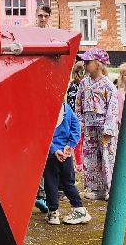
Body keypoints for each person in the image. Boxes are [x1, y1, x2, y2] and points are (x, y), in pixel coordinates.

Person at [75, 48, 118, 201]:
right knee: (91, 156)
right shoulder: (83, 83)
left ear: (98, 64)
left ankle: (111, 188)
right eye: (84, 62)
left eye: (88, 62)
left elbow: (113, 107)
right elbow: (78, 103)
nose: (85, 65)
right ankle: (95, 188)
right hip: (89, 126)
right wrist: (79, 121)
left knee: (107, 156)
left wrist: (109, 127)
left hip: (104, 127)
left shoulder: (108, 85)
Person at [44, 101, 92, 225]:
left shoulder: (45, 110)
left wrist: (54, 150)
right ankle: (78, 208)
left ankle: (53, 213)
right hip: (66, 154)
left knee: (51, 183)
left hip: (51, 155)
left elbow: (43, 134)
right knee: (68, 183)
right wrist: (70, 145)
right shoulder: (66, 108)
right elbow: (76, 128)